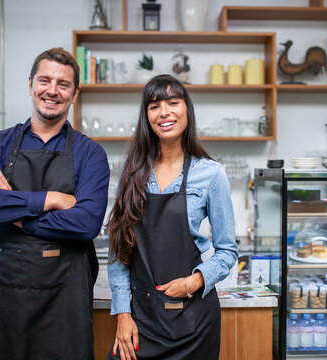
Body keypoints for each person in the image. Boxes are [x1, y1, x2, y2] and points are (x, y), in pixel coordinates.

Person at [0, 47, 110, 360]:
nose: (52, 90)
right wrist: (52, 199)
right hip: (0, 297)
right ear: (30, 85)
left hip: (64, 304)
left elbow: (86, 224)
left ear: (75, 93)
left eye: (63, 84)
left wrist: (14, 214)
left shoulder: (91, 154)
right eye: (45, 80)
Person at [106, 74, 238, 360]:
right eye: (154, 106)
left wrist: (193, 282)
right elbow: (118, 250)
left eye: (173, 103)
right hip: (142, 317)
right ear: (146, 116)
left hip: (193, 319)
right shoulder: (131, 172)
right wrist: (123, 314)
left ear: (186, 110)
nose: (164, 112)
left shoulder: (211, 174)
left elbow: (228, 252)